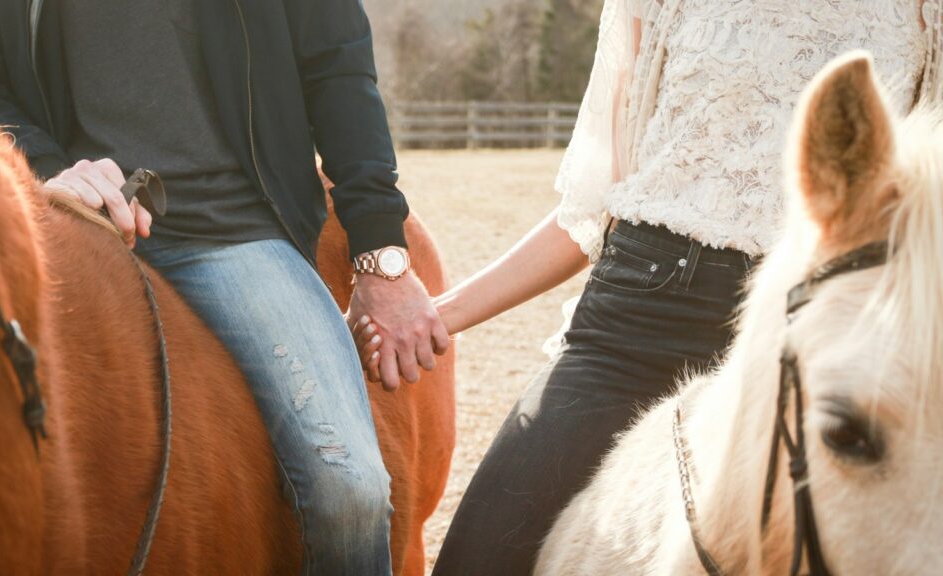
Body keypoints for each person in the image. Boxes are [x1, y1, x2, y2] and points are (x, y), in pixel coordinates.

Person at [357, 1, 943, 573]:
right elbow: (588, 210)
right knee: (481, 552)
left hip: (823, 337)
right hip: (632, 324)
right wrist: (437, 313)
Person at [0, 0, 450, 573]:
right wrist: (46, 166)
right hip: (69, 222)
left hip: (231, 233)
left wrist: (380, 254)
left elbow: (337, 67)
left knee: (349, 491)